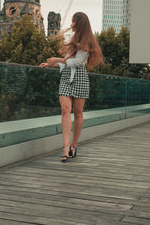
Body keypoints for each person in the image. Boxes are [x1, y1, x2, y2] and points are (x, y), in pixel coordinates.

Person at [39, 12, 103, 162]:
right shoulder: (72, 39)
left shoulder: (88, 42)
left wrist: (57, 59)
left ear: (79, 24)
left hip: (80, 77)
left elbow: (79, 62)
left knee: (78, 113)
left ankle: (74, 145)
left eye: (74, 22)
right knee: (65, 110)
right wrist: (51, 64)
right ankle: (65, 147)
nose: (71, 24)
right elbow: (68, 61)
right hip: (67, 76)